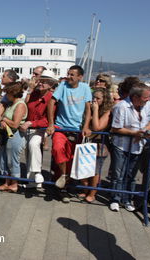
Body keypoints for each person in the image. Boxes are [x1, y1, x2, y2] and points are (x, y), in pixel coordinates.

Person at [46, 65, 92, 203]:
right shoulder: (63, 85)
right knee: (58, 149)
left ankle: (64, 188)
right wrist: (50, 123)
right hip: (60, 127)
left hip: (77, 129)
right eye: (68, 74)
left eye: (72, 74)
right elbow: (51, 102)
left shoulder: (85, 88)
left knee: (71, 158)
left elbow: (88, 109)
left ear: (80, 77)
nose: (69, 76)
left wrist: (86, 126)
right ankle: (64, 176)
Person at [109, 83, 150, 212]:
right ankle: (115, 199)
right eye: (146, 97)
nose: (149, 100)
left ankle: (127, 199)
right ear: (136, 97)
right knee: (118, 174)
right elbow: (116, 128)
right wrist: (134, 133)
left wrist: (142, 131)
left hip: (138, 146)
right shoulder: (121, 106)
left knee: (131, 175)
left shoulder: (147, 105)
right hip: (121, 145)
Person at [19, 70, 57, 187]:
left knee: (34, 144)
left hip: (42, 128)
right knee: (28, 153)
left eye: (45, 82)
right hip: (29, 127)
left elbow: (48, 120)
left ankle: (37, 172)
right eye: (41, 81)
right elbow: (24, 104)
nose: (41, 83)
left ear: (51, 85)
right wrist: (30, 90)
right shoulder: (34, 93)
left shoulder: (52, 98)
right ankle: (32, 182)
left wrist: (31, 123)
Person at [79, 88, 113, 203]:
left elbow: (97, 127)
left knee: (94, 171)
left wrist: (96, 110)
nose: (95, 100)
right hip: (87, 142)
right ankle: (85, 188)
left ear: (104, 100)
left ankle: (92, 193)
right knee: (84, 168)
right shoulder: (89, 108)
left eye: (98, 98)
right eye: (94, 98)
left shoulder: (107, 111)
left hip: (100, 145)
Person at [0, 82, 28, 193]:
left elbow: (15, 124)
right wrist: (1, 119)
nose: (5, 95)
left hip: (16, 136)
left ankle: (14, 184)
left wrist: (4, 119)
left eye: (7, 93)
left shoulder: (20, 105)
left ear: (12, 93)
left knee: (12, 160)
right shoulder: (11, 103)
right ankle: (6, 182)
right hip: (8, 136)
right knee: (2, 158)